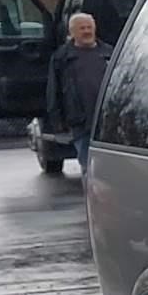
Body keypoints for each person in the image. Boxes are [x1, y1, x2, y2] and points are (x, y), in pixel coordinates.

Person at [48, 11, 111, 177]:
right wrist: (57, 122)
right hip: (81, 123)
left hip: (108, 123)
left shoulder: (109, 53)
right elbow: (54, 92)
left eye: (89, 27)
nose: (87, 31)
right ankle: (92, 200)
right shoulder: (62, 58)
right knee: (89, 169)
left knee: (110, 171)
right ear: (72, 32)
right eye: (82, 28)